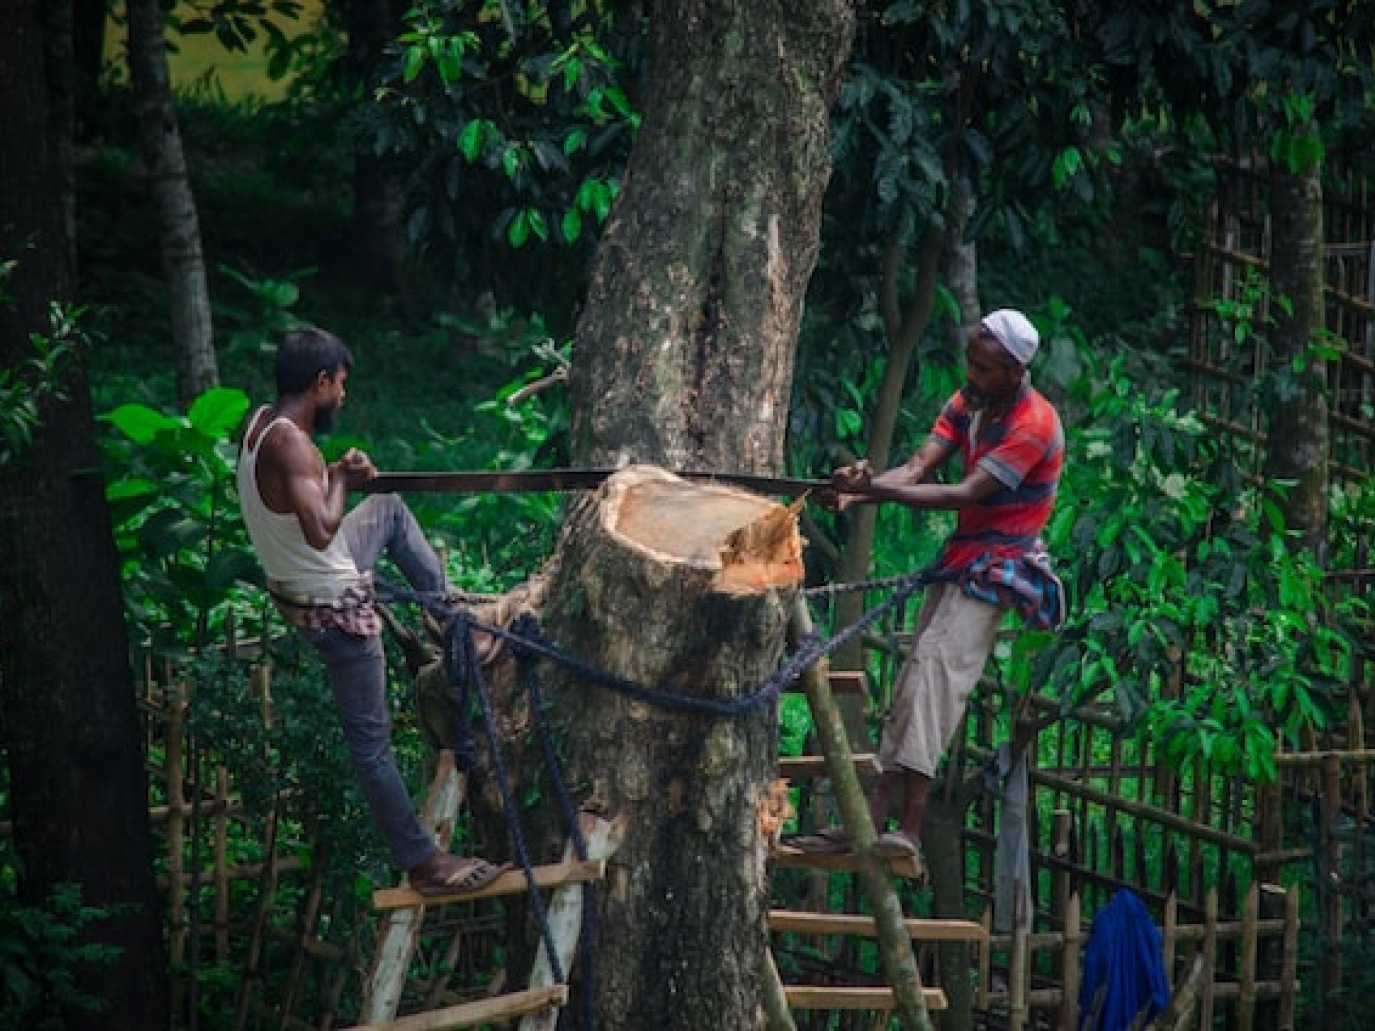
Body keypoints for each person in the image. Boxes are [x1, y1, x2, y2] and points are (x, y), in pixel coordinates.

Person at [236, 326, 509, 896]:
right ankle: (423, 861)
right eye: (340, 385)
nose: (343, 396)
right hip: (334, 610)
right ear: (320, 382)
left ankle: (454, 624)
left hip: (301, 590)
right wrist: (336, 476)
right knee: (371, 747)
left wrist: (334, 478)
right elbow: (318, 529)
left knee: (386, 507)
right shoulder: (293, 444)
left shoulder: (260, 424)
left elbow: (299, 511)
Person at [806, 308, 1065, 860]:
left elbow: (962, 494)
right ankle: (872, 822)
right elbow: (918, 467)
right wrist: (861, 490)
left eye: (985, 368)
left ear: (1016, 373)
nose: (972, 374)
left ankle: (910, 830)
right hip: (962, 560)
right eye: (971, 362)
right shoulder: (968, 402)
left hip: (999, 571)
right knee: (910, 685)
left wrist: (872, 491)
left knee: (935, 683)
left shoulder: (1033, 425)